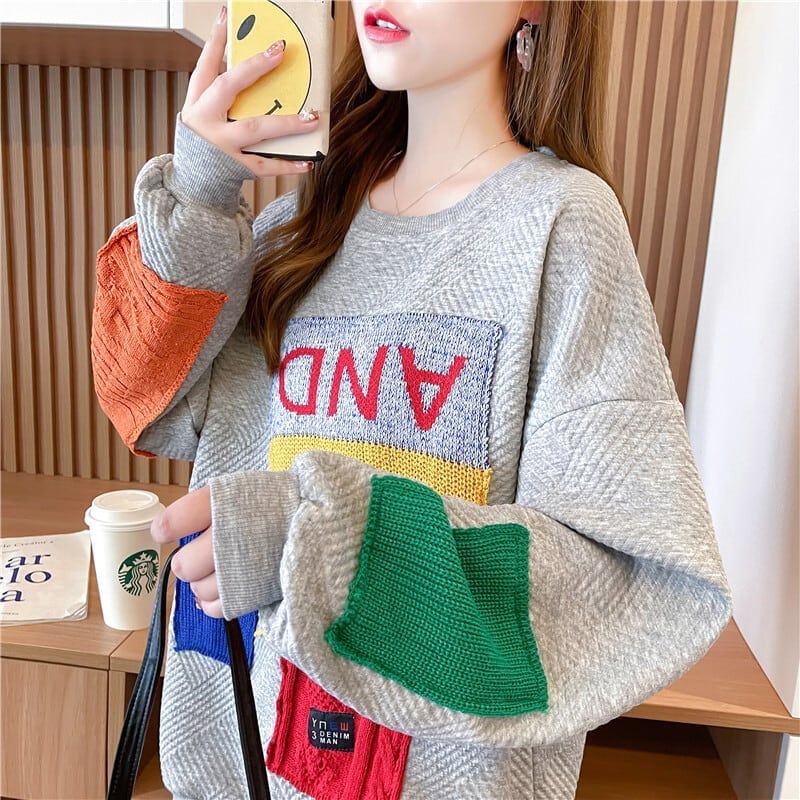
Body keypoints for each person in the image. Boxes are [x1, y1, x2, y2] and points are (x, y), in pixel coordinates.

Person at [92, 2, 732, 798]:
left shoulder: (559, 223)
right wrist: (198, 189)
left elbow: (624, 580)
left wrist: (312, 536)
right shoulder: (296, 230)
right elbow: (147, 402)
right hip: (242, 763)